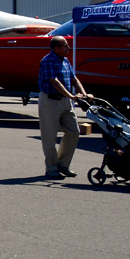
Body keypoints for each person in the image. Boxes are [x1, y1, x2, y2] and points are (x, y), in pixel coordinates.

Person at [35, 34, 83, 176]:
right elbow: (54, 81)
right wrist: (71, 96)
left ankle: (63, 165)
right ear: (57, 48)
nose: (68, 47)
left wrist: (84, 94)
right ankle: (51, 167)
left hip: (65, 101)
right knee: (49, 136)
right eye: (65, 45)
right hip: (50, 101)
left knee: (74, 131)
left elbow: (74, 79)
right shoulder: (48, 60)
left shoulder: (65, 60)